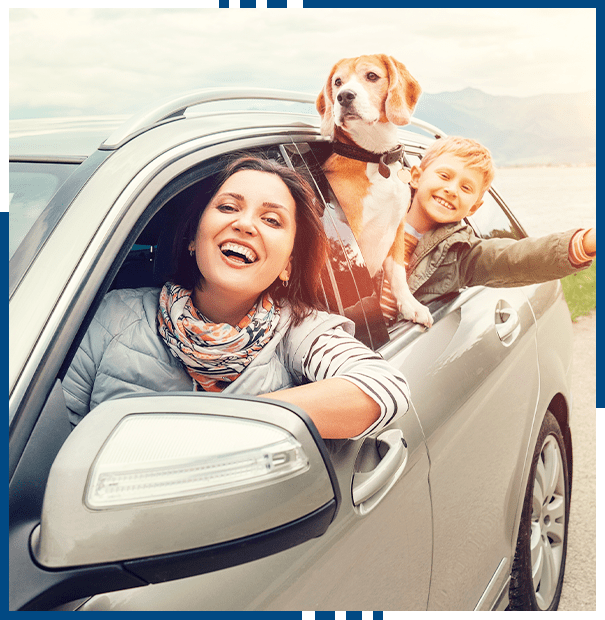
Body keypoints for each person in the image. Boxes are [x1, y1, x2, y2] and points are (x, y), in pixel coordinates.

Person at [63, 155, 410, 439]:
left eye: (272, 220)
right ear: (193, 239)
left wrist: (220, 428)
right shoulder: (111, 317)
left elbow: (384, 387)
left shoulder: (297, 331)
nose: (245, 225)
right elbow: (53, 444)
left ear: (287, 264)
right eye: (228, 207)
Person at [379, 136, 596, 323]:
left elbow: (516, 258)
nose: (452, 190)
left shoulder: (461, 253)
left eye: (466, 188)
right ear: (416, 176)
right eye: (444, 176)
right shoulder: (371, 215)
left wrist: (588, 242)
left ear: (474, 207)